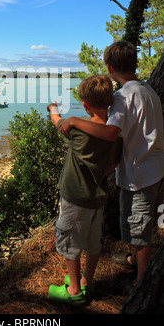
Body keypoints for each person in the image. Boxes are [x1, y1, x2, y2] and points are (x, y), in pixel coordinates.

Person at [59, 41, 164, 288]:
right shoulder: (149, 91)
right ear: (135, 63)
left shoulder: (122, 97)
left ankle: (140, 281)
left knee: (138, 223)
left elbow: (109, 133)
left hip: (141, 170)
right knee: (135, 217)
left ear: (109, 67)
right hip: (154, 166)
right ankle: (134, 260)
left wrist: (74, 120)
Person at [47, 74, 122, 305]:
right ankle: (87, 281)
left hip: (74, 197)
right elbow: (113, 164)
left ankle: (74, 292)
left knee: (70, 242)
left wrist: (52, 108)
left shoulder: (79, 132)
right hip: (97, 198)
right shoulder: (114, 135)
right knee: (92, 241)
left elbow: (57, 122)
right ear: (109, 103)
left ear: (85, 104)